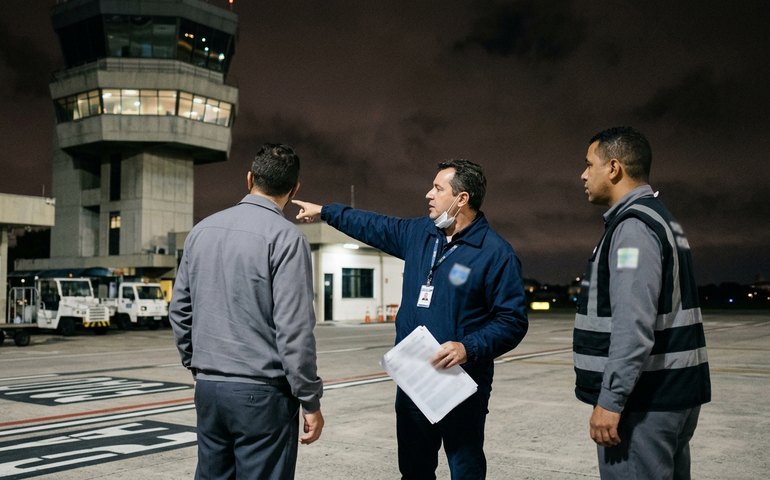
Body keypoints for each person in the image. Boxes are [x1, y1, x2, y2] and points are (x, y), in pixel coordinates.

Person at [294, 159, 528, 479]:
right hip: (415, 382)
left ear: (462, 199)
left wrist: (467, 347)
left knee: (466, 467)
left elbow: (512, 320)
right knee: (414, 470)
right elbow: (373, 224)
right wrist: (325, 211)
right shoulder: (419, 234)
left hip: (461, 386)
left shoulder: (494, 253)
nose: (428, 194)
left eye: (437, 188)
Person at [169, 143, 324, 479]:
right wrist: (310, 399)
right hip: (263, 394)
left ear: (250, 178)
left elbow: (180, 309)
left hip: (210, 388)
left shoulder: (201, 231)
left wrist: (196, 363)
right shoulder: (286, 238)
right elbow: (294, 330)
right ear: (294, 188)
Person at [573, 127, 711, 479]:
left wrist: (610, 399)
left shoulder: (633, 228)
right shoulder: (659, 217)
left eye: (590, 164)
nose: (584, 174)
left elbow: (633, 324)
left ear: (614, 168)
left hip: (645, 402)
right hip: (669, 396)